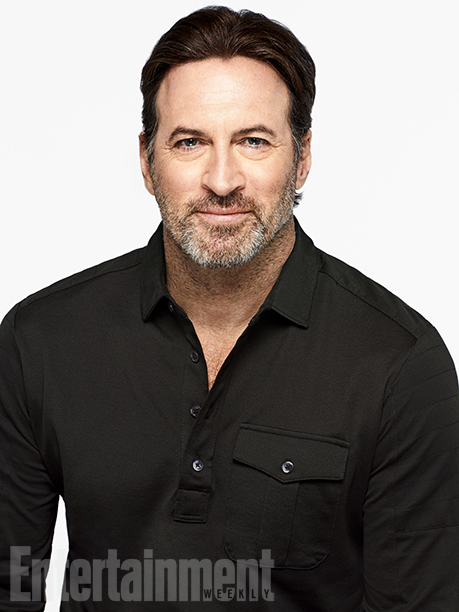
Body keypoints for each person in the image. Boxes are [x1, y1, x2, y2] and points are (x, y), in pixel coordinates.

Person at [0, 5, 458, 611]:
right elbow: (10, 584)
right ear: (147, 161)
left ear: (302, 157)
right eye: (190, 142)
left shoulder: (399, 365)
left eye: (253, 141)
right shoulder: (39, 341)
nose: (221, 180)